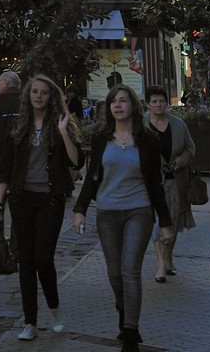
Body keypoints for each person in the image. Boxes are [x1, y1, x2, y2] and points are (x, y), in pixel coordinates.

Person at [72, 84, 174, 352]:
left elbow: (155, 183)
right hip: (107, 212)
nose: (117, 106)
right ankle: (124, 309)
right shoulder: (101, 138)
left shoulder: (148, 140)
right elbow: (92, 176)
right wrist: (80, 209)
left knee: (130, 271)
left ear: (133, 106)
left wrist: (164, 222)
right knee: (115, 273)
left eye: (123, 101)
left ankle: (130, 331)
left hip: (138, 210)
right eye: (113, 102)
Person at [0, 73, 82, 342]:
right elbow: (5, 169)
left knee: (43, 258)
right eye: (34, 92)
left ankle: (53, 306)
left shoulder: (60, 125)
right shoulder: (19, 128)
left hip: (50, 199)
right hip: (22, 199)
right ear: (28, 96)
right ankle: (30, 321)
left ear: (51, 96)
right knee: (26, 261)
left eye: (43, 92)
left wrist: (65, 132)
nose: (39, 96)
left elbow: (76, 161)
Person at [143, 84, 195, 282]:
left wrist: (183, 158)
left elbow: (191, 148)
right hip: (149, 183)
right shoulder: (141, 125)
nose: (158, 105)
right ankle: (160, 264)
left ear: (167, 103)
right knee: (156, 223)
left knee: (171, 224)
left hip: (174, 182)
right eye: (154, 101)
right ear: (148, 104)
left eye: (161, 101)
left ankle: (168, 257)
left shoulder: (178, 125)